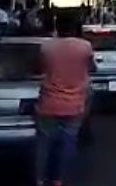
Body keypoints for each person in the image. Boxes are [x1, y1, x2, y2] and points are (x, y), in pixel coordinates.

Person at [35, 12, 94, 186]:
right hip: (74, 104)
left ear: (56, 27)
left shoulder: (47, 47)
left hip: (48, 103)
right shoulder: (85, 47)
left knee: (44, 145)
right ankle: (58, 179)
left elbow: (39, 68)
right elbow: (91, 67)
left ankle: (40, 179)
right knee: (67, 143)